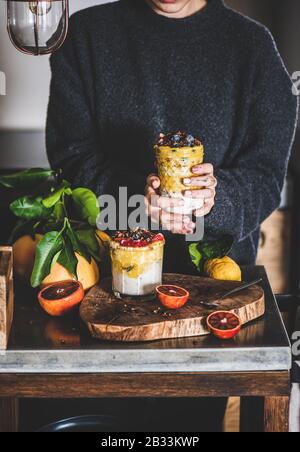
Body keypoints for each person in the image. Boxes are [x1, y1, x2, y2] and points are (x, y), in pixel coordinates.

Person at [46, 0, 298, 431]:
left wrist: (216, 201)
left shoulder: (253, 48)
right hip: (105, 292)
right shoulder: (84, 36)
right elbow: (69, 161)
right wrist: (134, 202)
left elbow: (266, 177)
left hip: (212, 295)